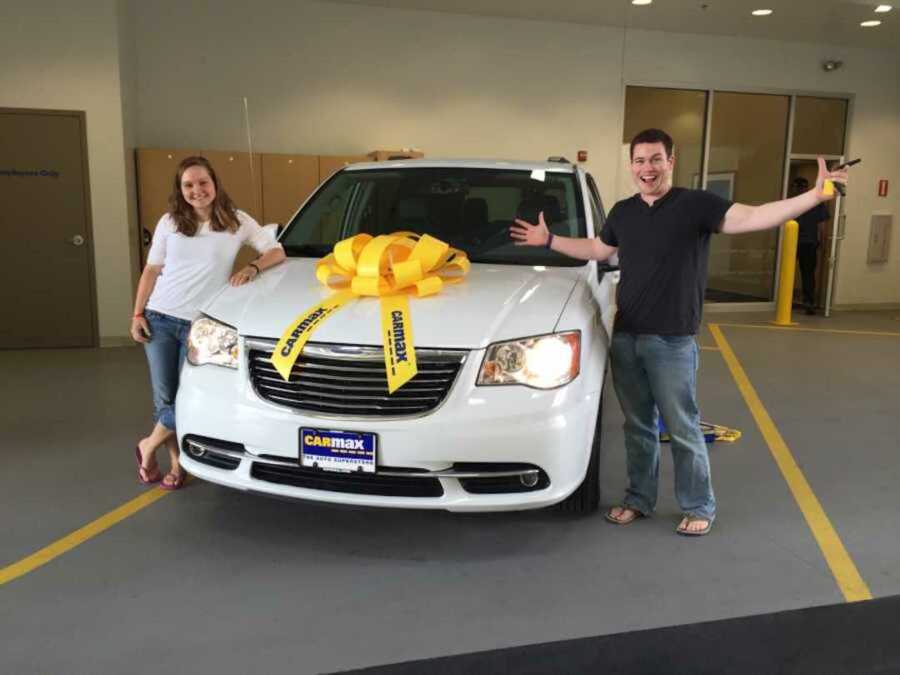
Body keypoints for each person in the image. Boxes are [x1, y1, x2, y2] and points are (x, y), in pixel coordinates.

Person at [510, 128, 848, 536]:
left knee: (682, 427)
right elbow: (600, 250)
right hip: (628, 336)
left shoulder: (696, 205)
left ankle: (698, 505)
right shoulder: (623, 212)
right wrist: (549, 240)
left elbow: (755, 216)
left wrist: (814, 196)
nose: (646, 168)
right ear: (631, 165)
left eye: (655, 159)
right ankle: (639, 499)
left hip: (672, 340)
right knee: (636, 426)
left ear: (671, 161)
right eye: (639, 161)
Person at [130, 156, 286, 489]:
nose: (197, 190)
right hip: (159, 318)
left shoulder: (236, 221)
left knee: (188, 395)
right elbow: (151, 271)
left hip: (204, 326)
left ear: (214, 184)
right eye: (188, 185)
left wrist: (252, 268)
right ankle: (176, 465)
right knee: (166, 398)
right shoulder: (170, 222)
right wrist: (137, 313)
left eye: (203, 183)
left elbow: (276, 251)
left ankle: (148, 445)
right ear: (180, 190)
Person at [791, 177, 831, 315]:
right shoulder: (816, 202)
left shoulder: (792, 202)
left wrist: (823, 244)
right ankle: (808, 302)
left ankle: (792, 301)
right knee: (807, 274)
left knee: (790, 272)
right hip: (807, 243)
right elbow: (823, 226)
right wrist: (823, 244)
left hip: (796, 243)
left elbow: (822, 226)